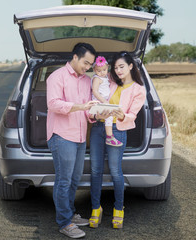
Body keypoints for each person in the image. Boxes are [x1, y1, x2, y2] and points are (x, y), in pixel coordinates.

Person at [88, 51, 146, 229]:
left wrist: (122, 115)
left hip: (118, 131)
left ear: (130, 66)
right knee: (95, 170)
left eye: (121, 66)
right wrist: (95, 116)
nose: (118, 71)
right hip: (98, 129)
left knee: (115, 171)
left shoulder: (139, 89)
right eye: (115, 68)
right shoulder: (110, 82)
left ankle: (118, 209)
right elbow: (97, 97)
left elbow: (132, 115)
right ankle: (95, 209)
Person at [46, 42, 98, 239]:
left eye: (90, 64)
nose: (87, 67)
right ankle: (64, 223)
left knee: (75, 179)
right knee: (64, 180)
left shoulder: (86, 81)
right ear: (75, 57)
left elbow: (86, 110)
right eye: (85, 62)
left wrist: (94, 113)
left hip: (79, 136)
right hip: (61, 135)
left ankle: (69, 213)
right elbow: (53, 104)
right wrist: (82, 106)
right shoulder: (56, 77)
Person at [91, 56, 122, 147]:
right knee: (109, 116)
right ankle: (109, 137)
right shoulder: (97, 79)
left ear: (107, 67)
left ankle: (109, 136)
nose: (101, 72)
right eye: (98, 71)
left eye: (104, 70)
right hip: (98, 101)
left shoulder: (106, 77)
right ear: (94, 70)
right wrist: (104, 101)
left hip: (103, 101)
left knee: (109, 116)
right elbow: (95, 91)